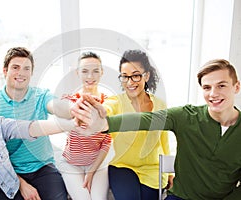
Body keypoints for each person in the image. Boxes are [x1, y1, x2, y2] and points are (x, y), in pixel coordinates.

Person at [72, 58, 241, 200]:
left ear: (236, 87)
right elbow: (145, 119)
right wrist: (105, 123)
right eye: (207, 87)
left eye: (221, 86)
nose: (213, 94)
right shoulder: (186, 116)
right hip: (181, 196)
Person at [0, 47, 69, 200]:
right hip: (10, 172)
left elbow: (57, 106)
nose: (21, 73)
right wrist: (20, 184)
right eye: (15, 67)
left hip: (43, 168)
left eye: (26, 68)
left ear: (31, 73)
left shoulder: (41, 95)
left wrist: (73, 109)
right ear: (4, 70)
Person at [102, 49, 172, 200]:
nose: (130, 82)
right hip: (122, 166)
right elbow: (105, 110)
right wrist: (97, 110)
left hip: (152, 169)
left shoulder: (160, 105)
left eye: (135, 76)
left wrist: (170, 172)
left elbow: (164, 141)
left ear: (146, 76)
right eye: (125, 77)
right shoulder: (115, 102)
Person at [57, 51, 112, 200]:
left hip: (97, 163)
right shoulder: (69, 100)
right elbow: (60, 118)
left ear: (102, 72)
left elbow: (107, 141)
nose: (90, 76)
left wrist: (91, 171)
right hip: (71, 163)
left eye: (95, 71)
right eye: (85, 71)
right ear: (77, 73)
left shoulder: (109, 103)